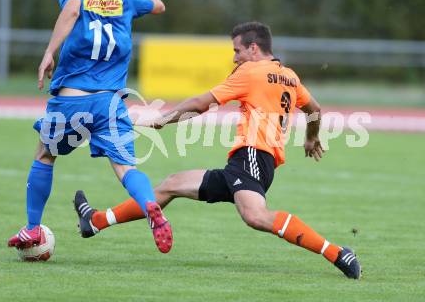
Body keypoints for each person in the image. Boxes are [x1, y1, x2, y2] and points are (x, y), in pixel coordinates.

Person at [74, 21, 361, 278]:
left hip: (251, 155)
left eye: (237, 50)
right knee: (171, 185)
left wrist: (162, 120)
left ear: (253, 48)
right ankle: (96, 221)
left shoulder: (251, 71)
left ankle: (337, 253)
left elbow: (202, 103)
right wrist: (311, 138)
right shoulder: (289, 76)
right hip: (257, 161)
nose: (234, 57)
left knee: (256, 216)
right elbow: (315, 109)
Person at [7, 0, 173, 254]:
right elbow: (159, 5)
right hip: (110, 102)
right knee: (125, 168)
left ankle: (33, 228)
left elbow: (72, 10)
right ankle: (150, 205)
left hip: (72, 100)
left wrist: (49, 52)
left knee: (45, 155)